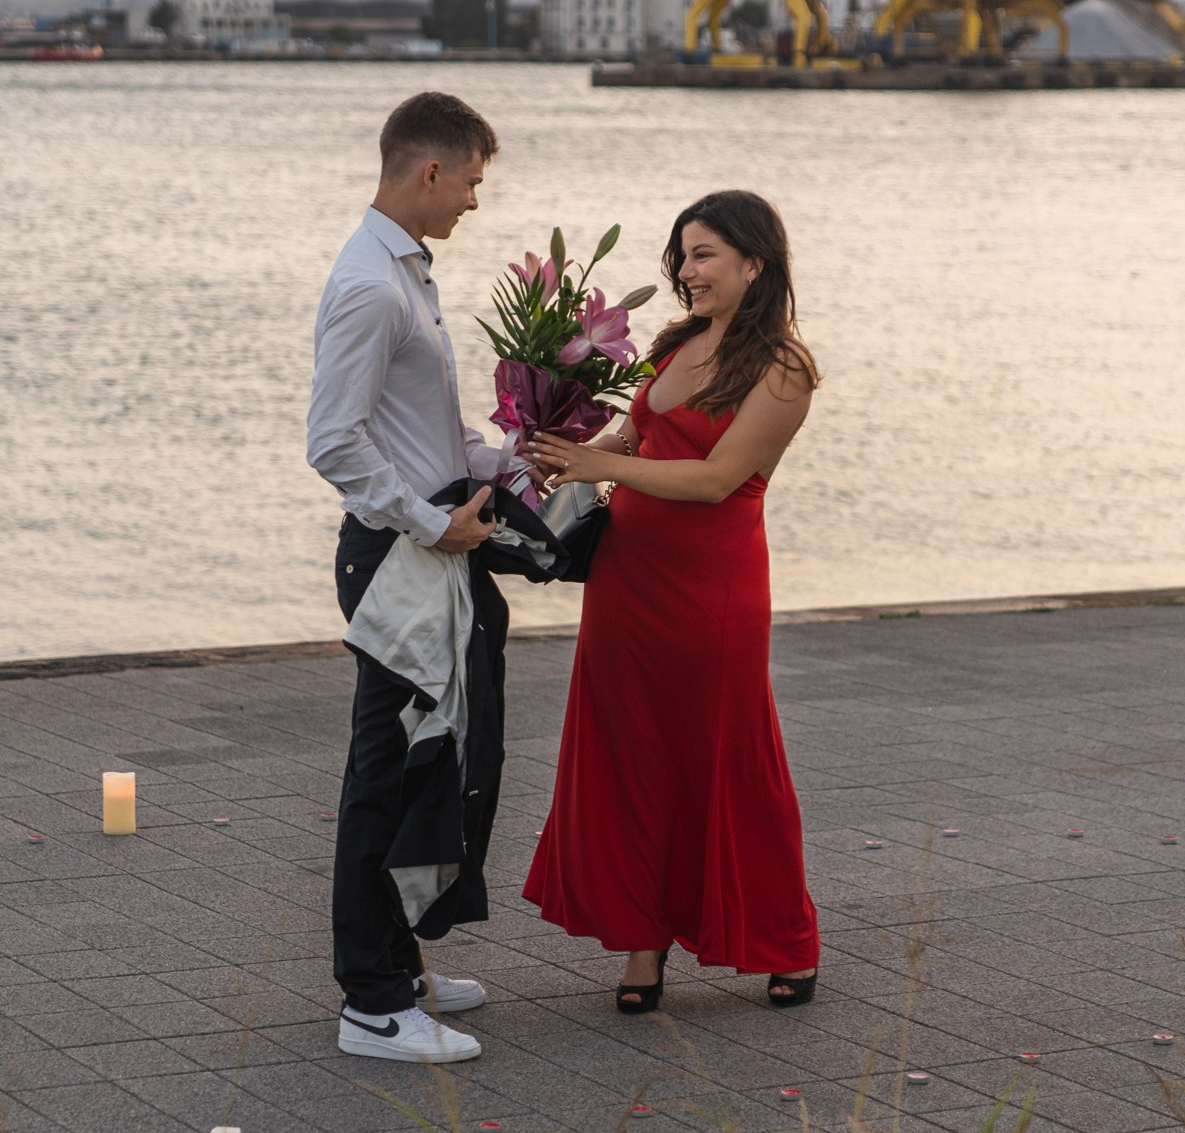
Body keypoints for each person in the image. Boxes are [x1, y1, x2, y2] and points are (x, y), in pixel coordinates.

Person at [520, 191, 822, 1014]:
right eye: (682, 256)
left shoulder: (783, 367)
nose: (686, 271)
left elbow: (718, 476)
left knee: (728, 758)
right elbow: (636, 438)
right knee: (631, 755)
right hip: (626, 578)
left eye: (704, 255)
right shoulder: (674, 341)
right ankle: (641, 947)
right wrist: (566, 452)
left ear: (755, 262)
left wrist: (603, 469)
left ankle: (787, 937)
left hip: (710, 589)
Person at [306, 92, 512, 1064]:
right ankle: (372, 1003)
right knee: (383, 776)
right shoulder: (369, 286)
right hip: (394, 557)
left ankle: (405, 968)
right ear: (428, 171)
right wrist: (434, 523)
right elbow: (333, 442)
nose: (475, 199)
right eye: (471, 179)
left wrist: (509, 462)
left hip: (422, 549)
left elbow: (423, 431)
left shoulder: (406, 273)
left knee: (425, 762)